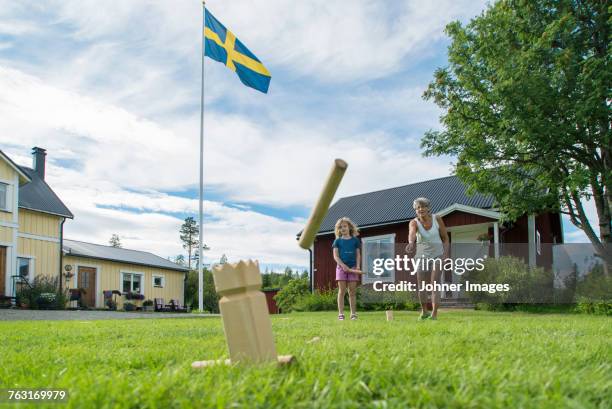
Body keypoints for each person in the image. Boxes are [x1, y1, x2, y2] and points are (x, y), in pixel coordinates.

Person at [406, 197, 449, 321]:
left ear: (428, 208)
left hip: (437, 254)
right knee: (422, 286)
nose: (421, 209)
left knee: (435, 283)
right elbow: (412, 233)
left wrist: (445, 255)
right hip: (421, 256)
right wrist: (410, 242)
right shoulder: (414, 222)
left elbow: (445, 238)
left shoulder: (437, 219)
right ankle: (424, 312)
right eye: (418, 207)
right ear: (415, 210)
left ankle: (434, 314)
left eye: (423, 206)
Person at [333, 217, 362, 320]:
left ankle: (353, 314)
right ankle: (341, 314)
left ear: (349, 227)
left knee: (352, 291)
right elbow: (336, 256)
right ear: (338, 230)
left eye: (344, 226)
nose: (343, 229)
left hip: (353, 267)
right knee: (342, 290)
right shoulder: (337, 241)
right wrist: (342, 265)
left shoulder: (355, 241)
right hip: (341, 268)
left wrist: (358, 266)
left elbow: (358, 255)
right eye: (340, 227)